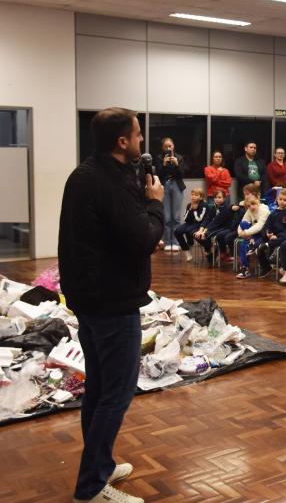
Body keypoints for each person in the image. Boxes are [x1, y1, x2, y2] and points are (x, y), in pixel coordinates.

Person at [59, 107, 164, 503]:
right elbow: (143, 238)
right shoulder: (108, 183)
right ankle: (91, 487)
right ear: (122, 141)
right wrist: (154, 202)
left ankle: (100, 465)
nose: (141, 141)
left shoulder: (85, 174)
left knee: (100, 389)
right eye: (138, 135)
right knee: (116, 395)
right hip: (112, 302)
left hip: (89, 299)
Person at [255, 189, 286, 278]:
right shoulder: (273, 213)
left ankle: (268, 245)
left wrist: (277, 236)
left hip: (283, 236)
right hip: (272, 236)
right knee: (258, 245)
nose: (282, 202)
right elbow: (266, 226)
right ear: (277, 199)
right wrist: (268, 233)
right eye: (280, 199)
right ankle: (266, 267)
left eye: (285, 200)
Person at [155, 137, 186, 251]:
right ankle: (168, 242)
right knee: (167, 217)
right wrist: (163, 164)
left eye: (170, 146)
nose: (168, 148)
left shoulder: (180, 158)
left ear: (173, 146)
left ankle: (176, 242)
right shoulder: (159, 158)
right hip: (165, 185)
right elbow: (158, 174)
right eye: (166, 146)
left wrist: (177, 164)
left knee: (176, 217)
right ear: (162, 148)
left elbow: (182, 174)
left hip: (177, 185)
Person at [173, 187, 208, 262]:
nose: (193, 196)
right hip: (189, 223)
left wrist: (195, 210)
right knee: (177, 231)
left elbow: (199, 219)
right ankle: (187, 251)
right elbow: (185, 219)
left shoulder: (204, 205)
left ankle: (191, 243)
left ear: (201, 197)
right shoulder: (189, 205)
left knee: (189, 231)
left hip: (199, 224)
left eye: (196, 195)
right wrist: (190, 210)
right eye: (192, 195)